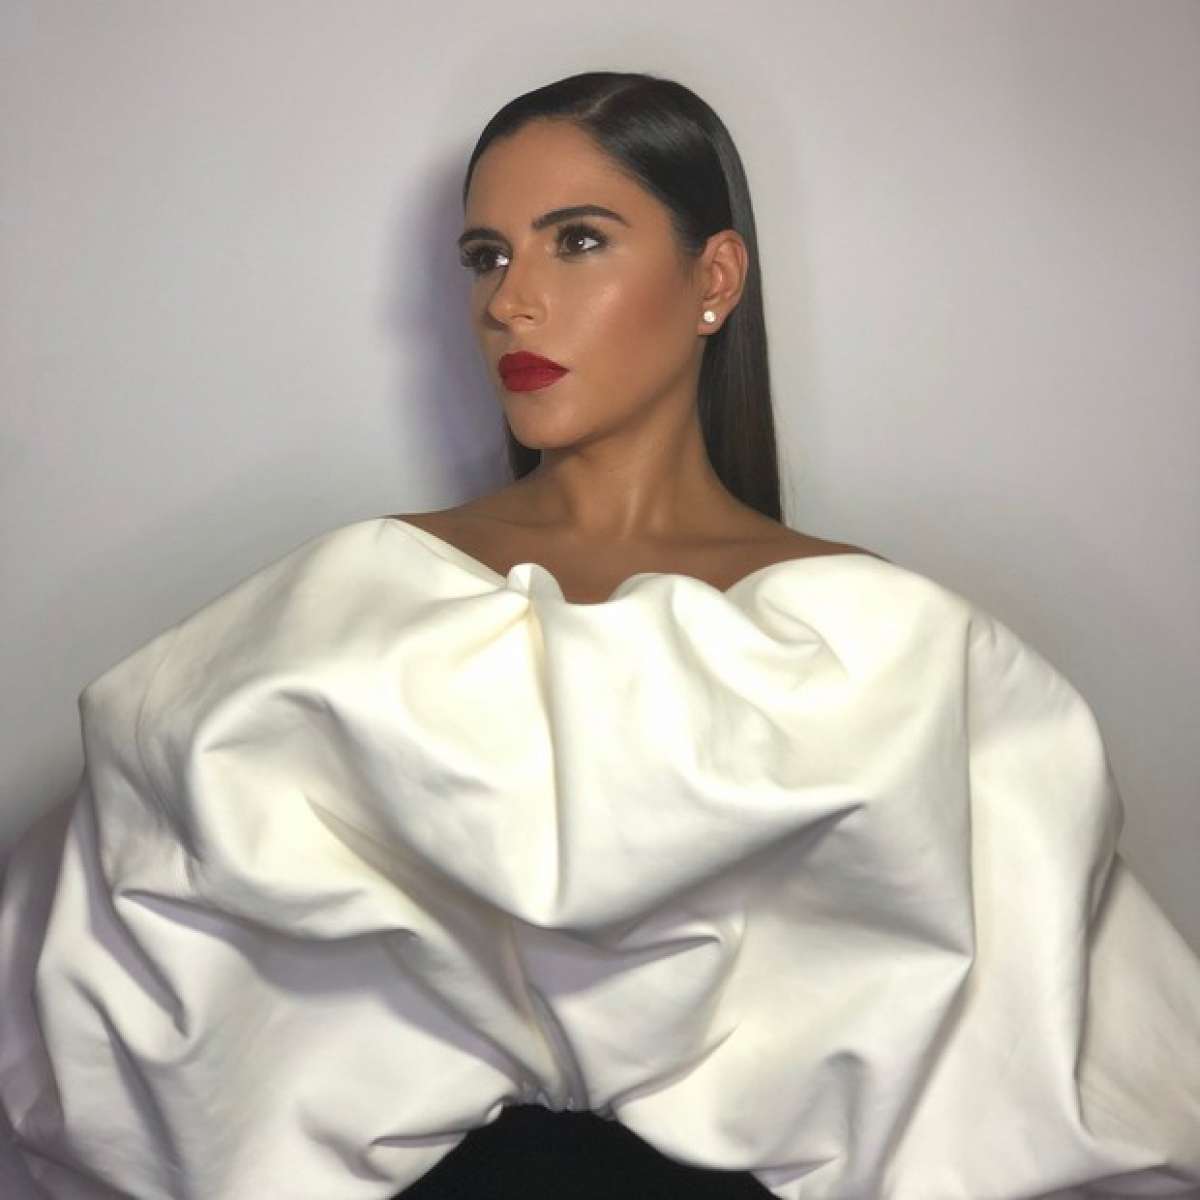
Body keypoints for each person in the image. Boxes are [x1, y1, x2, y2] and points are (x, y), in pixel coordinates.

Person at [1, 69, 1198, 1200]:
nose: (508, 301)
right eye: (486, 255)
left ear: (714, 276)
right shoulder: (350, 600)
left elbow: (1044, 1054)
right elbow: (113, 965)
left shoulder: (888, 648)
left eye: (576, 240)